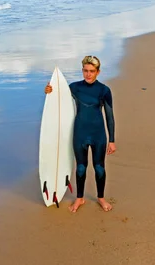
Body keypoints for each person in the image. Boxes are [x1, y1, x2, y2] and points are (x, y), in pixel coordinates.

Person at [44, 55, 116, 212]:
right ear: (82, 71)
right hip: (80, 134)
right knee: (81, 168)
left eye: (91, 71)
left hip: (98, 135)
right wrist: (49, 91)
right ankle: (80, 198)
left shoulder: (104, 90)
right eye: (85, 71)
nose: (88, 74)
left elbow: (109, 116)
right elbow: (58, 100)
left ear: (98, 72)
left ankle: (101, 198)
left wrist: (112, 140)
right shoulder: (74, 87)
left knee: (99, 168)